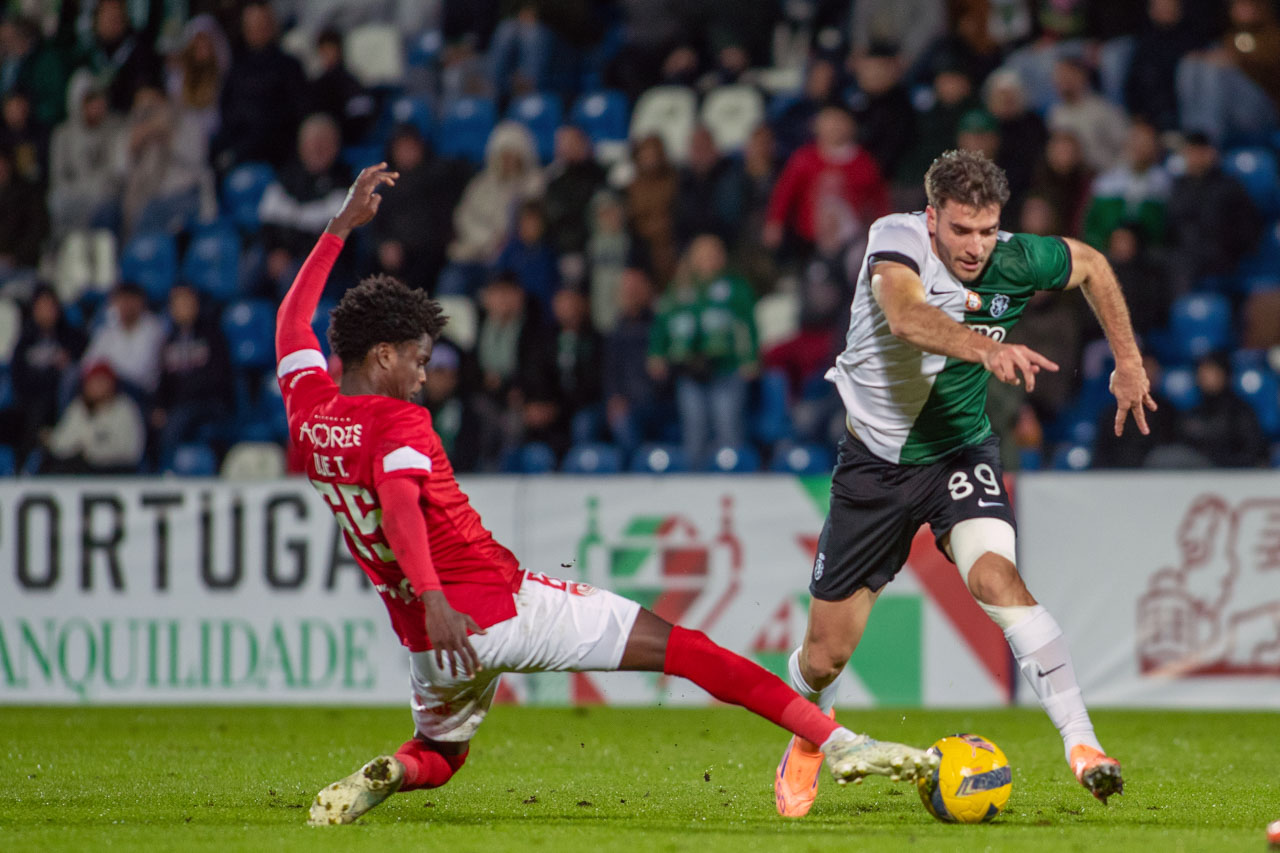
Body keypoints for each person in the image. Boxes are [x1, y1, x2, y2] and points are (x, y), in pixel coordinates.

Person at [278, 165, 935, 826]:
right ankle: (842, 741)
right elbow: (397, 505)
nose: (423, 378)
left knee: (441, 752)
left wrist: (337, 229)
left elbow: (290, 320)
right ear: (383, 354)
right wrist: (436, 594)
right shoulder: (400, 423)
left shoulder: (309, 409)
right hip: (491, 604)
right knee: (685, 649)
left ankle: (392, 769)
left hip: (428, 640)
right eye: (418, 360)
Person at [773, 149, 1152, 819]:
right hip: (874, 468)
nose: (976, 246)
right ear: (933, 218)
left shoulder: (1016, 256)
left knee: (996, 579)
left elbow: (1091, 263)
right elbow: (905, 317)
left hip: (958, 453)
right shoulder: (895, 239)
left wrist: (1128, 361)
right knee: (827, 655)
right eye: (960, 230)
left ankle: (1084, 745)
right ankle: (809, 735)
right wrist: (987, 346)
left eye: (987, 230)